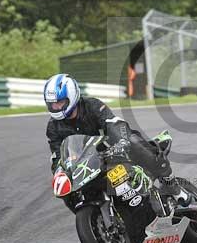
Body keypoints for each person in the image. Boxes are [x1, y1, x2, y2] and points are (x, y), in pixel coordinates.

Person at [44, 73, 188, 206]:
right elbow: (58, 155)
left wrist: (122, 141)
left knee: (133, 142)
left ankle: (175, 189)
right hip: (88, 163)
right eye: (52, 104)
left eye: (60, 102)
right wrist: (60, 173)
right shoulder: (53, 127)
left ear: (72, 96)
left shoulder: (92, 106)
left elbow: (113, 123)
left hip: (113, 149)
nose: (56, 107)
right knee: (66, 191)